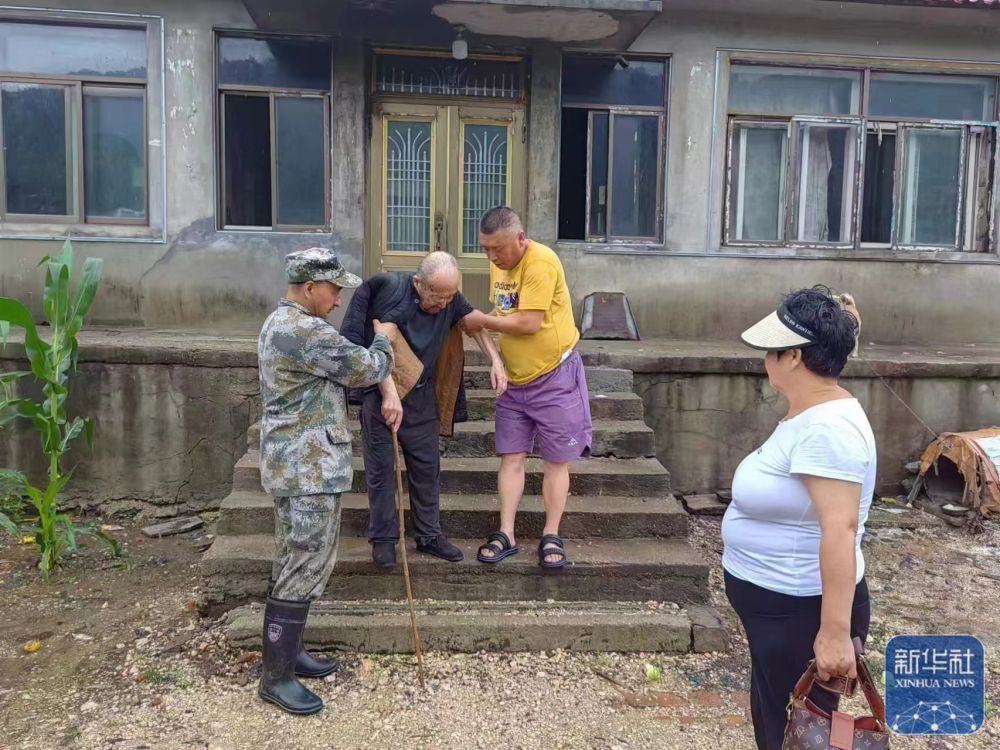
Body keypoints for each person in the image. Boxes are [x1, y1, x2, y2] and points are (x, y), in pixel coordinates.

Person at [723, 286, 874, 749]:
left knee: (800, 731)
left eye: (772, 349)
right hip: (778, 606)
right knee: (780, 722)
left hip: (800, 609)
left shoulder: (829, 430)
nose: (765, 358)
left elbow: (840, 528)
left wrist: (833, 634)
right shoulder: (812, 414)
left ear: (792, 357)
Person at [257, 247, 395, 716]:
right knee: (306, 561)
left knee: (292, 558)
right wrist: (384, 340)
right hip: (307, 467)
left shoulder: (279, 324)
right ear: (311, 288)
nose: (338, 299)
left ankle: (289, 653)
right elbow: (366, 368)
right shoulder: (304, 331)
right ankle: (276, 677)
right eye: (334, 289)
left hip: (295, 463)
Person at [341, 251, 507, 568]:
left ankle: (429, 536)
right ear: (419, 283)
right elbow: (380, 345)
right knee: (380, 472)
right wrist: (389, 396)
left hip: (421, 398)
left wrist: (496, 362)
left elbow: (473, 325)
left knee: (427, 469)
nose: (443, 304)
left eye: (449, 297)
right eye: (437, 295)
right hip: (382, 395)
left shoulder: (448, 298)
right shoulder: (394, 294)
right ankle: (385, 540)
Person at [461, 207, 592, 569]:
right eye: (486, 249)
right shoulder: (498, 263)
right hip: (515, 381)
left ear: (521, 238)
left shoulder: (541, 263)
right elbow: (502, 311)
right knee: (511, 456)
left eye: (498, 249)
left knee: (555, 460)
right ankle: (506, 532)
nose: (492, 257)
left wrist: (479, 320)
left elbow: (529, 323)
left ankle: (551, 533)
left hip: (554, 375)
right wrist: (496, 359)